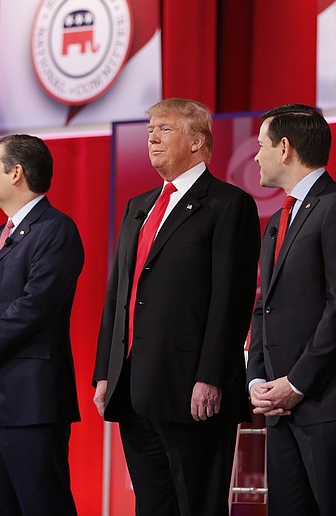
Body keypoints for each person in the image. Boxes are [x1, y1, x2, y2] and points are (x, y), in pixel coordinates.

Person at [92, 98, 260, 515]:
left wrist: (212, 376)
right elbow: (118, 294)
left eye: (165, 129)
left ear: (198, 142)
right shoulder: (138, 206)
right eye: (150, 128)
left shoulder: (228, 204)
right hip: (133, 385)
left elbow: (231, 300)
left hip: (191, 389)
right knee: (152, 504)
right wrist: (105, 372)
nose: (152, 136)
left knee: (196, 504)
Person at [246, 104, 336, 515]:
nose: (256, 156)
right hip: (280, 406)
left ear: (285, 148)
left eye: (261, 146)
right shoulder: (278, 219)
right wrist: (258, 379)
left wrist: (297, 382)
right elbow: (263, 308)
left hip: (329, 401)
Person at [0, 134, 84, 516]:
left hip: (31, 402)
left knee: (42, 504)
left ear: (16, 173)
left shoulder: (56, 230)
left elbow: (36, 304)